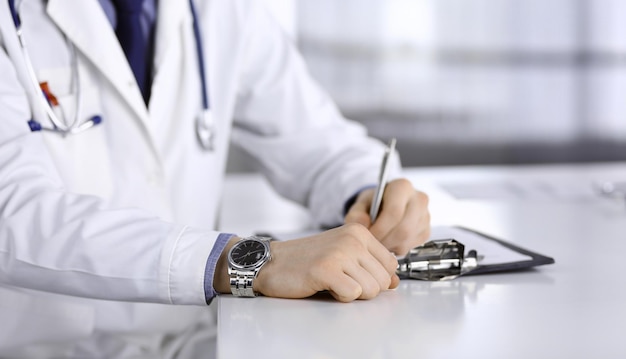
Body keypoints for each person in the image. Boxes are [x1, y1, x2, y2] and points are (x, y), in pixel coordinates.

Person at [0, 0, 430, 357]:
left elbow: (316, 138)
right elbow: (11, 210)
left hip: (194, 338)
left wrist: (370, 194)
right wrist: (244, 261)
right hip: (49, 348)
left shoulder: (225, 9)